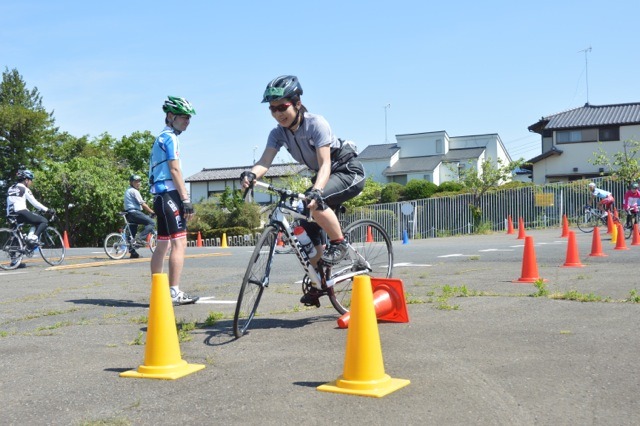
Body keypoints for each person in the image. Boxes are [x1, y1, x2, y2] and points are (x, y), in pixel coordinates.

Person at [241, 75, 365, 307]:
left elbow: (325, 164)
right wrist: (251, 174)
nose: (278, 113)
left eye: (282, 107)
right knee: (304, 222)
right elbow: (265, 161)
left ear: (297, 103)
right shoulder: (278, 133)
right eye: (272, 109)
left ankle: (339, 243)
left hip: (347, 171)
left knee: (316, 201)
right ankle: (321, 281)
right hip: (324, 176)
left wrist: (317, 191)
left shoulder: (316, 123)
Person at [148, 96, 199, 306]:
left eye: (189, 118)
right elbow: (175, 169)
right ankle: (174, 292)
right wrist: (185, 198)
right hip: (169, 193)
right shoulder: (170, 138)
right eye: (183, 117)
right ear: (170, 116)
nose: (187, 121)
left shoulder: (159, 137)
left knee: (162, 244)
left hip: (159, 196)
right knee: (179, 243)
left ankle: (158, 291)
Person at [6, 170, 55, 268]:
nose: (31, 182)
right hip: (21, 212)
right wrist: (47, 210)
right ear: (26, 180)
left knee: (16, 237)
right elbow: (34, 202)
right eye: (30, 180)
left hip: (10, 214)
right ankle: (32, 239)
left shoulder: (11, 188)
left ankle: (15, 262)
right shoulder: (24, 188)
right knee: (43, 221)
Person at [124, 174, 156, 259]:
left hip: (129, 214)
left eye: (139, 181)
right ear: (131, 183)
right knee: (152, 223)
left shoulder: (128, 190)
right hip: (134, 213)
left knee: (132, 235)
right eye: (136, 182)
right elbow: (143, 204)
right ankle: (140, 239)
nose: (138, 183)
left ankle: (133, 253)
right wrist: (152, 212)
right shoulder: (134, 191)